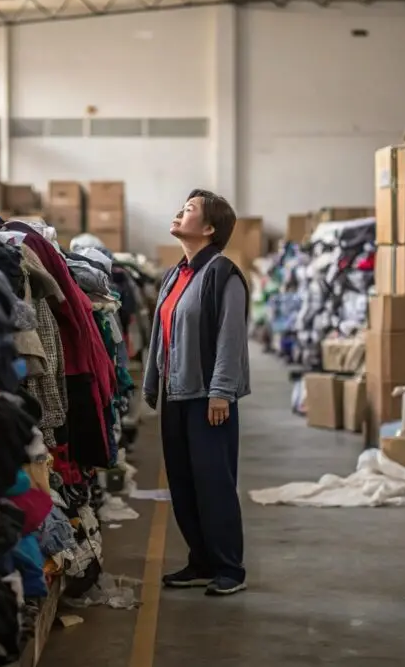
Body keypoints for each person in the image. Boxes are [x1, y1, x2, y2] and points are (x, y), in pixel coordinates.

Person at [143, 189, 250, 597]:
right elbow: (160, 333)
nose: (178, 213)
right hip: (176, 394)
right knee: (184, 484)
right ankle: (201, 560)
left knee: (214, 484)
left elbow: (231, 338)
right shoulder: (176, 275)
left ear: (209, 228)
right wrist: (153, 384)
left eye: (188, 210)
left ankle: (230, 568)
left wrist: (221, 391)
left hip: (209, 398)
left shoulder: (224, 275)